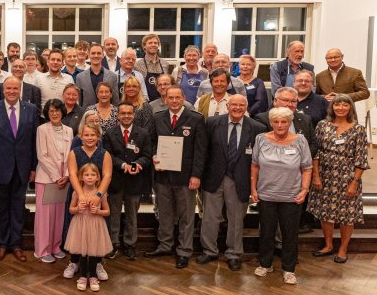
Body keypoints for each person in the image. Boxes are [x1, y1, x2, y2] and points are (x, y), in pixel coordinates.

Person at [199, 95, 266, 271]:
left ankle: (234, 254)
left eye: (241, 105)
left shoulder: (257, 128)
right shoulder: (212, 123)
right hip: (213, 177)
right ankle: (209, 250)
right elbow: (203, 150)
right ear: (227, 106)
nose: (237, 108)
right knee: (210, 217)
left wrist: (255, 184)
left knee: (236, 219)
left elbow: (259, 160)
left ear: (247, 107)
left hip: (240, 179)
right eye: (234, 104)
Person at [146, 87, 207, 269]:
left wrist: (196, 175)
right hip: (163, 175)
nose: (174, 101)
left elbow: (200, 150)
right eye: (170, 97)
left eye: (177, 97)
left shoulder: (196, 119)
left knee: (186, 216)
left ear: (183, 98)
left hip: (186, 177)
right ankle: (165, 245)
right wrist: (154, 156)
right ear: (165, 99)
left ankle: (184, 251)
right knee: (165, 213)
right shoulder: (158, 117)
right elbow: (152, 142)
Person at [251, 107, 312, 285]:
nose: (279, 125)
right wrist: (253, 189)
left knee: (290, 234)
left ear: (290, 122)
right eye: (276, 121)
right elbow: (254, 165)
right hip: (266, 195)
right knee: (267, 232)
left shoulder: (300, 140)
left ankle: (289, 269)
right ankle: (265, 264)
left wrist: (304, 190)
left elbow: (307, 168)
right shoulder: (261, 139)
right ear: (271, 123)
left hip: (292, 196)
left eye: (284, 121)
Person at [0, 76, 39, 262]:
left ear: (20, 90)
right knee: (1, 208)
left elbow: (34, 142)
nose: (12, 91)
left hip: (22, 168)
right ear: (3, 90)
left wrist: (33, 167)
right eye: (9, 88)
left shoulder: (31, 110)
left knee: (18, 208)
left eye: (15, 88)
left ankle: (16, 244)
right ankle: (2, 244)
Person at [309, 95, 369, 263]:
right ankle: (328, 245)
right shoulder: (322, 125)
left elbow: (361, 159)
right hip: (325, 175)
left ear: (351, 108)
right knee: (325, 212)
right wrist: (316, 175)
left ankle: (343, 248)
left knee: (347, 214)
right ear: (332, 107)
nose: (340, 108)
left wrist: (354, 182)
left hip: (347, 176)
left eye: (345, 105)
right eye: (337, 104)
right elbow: (316, 152)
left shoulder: (358, 129)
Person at [102, 101, 152, 261]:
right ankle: (113, 243)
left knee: (132, 215)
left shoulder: (143, 133)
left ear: (134, 115)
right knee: (114, 215)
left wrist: (138, 164)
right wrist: (123, 165)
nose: (126, 116)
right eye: (123, 113)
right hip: (116, 181)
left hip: (135, 180)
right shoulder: (109, 133)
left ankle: (130, 244)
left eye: (129, 113)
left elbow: (147, 155)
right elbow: (108, 155)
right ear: (117, 115)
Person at [63, 120, 112, 281]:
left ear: (98, 137)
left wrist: (98, 196)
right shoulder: (74, 152)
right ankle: (74, 262)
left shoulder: (104, 154)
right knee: (77, 231)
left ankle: (97, 264)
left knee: (96, 232)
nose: (90, 138)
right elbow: (72, 174)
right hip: (78, 195)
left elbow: (107, 176)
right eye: (86, 135)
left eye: (93, 135)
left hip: (99, 196)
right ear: (80, 136)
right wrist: (81, 195)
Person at [34, 99, 73, 263]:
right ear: (47, 113)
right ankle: (42, 250)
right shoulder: (42, 129)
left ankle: (56, 247)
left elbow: (70, 154)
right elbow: (42, 155)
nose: (55, 113)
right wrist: (57, 176)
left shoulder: (69, 130)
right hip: (47, 177)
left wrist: (67, 175)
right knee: (45, 217)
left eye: (57, 110)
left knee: (59, 215)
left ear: (62, 112)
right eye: (51, 111)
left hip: (64, 178)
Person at [64, 163, 113, 292]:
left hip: (95, 225)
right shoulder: (77, 193)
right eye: (86, 174)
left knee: (93, 252)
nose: (90, 177)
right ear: (81, 177)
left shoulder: (101, 194)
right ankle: (82, 277)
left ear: (98, 177)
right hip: (80, 225)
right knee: (82, 251)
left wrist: (98, 211)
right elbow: (71, 210)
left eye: (93, 174)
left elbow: (107, 211)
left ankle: (93, 276)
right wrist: (77, 209)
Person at [133, 34, 171, 101]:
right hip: (145, 102)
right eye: (150, 43)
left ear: (158, 45)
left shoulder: (165, 63)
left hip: (163, 101)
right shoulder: (137, 65)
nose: (153, 45)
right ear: (144, 46)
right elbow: (136, 87)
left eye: (155, 43)